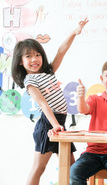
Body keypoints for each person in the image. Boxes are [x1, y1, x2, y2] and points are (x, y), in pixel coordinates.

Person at [11, 18, 88, 185]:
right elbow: (43, 104)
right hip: (48, 125)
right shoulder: (30, 82)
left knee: (72, 166)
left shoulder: (48, 73)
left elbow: (61, 51)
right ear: (20, 61)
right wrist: (54, 125)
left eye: (38, 54)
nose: (35, 59)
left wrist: (74, 33)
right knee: (39, 167)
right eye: (29, 56)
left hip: (58, 123)